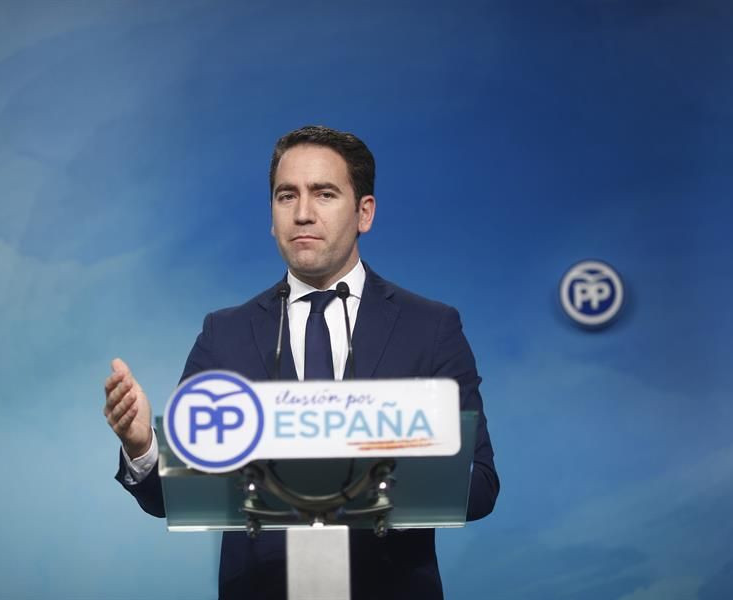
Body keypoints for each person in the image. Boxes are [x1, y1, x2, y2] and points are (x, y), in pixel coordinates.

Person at [103, 125, 499, 599]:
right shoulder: (224, 334)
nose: (303, 213)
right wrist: (143, 445)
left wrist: (368, 484)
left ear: (364, 212)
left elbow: (480, 486)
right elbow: (173, 496)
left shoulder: (429, 328)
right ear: (272, 216)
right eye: (286, 196)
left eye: (324, 194)